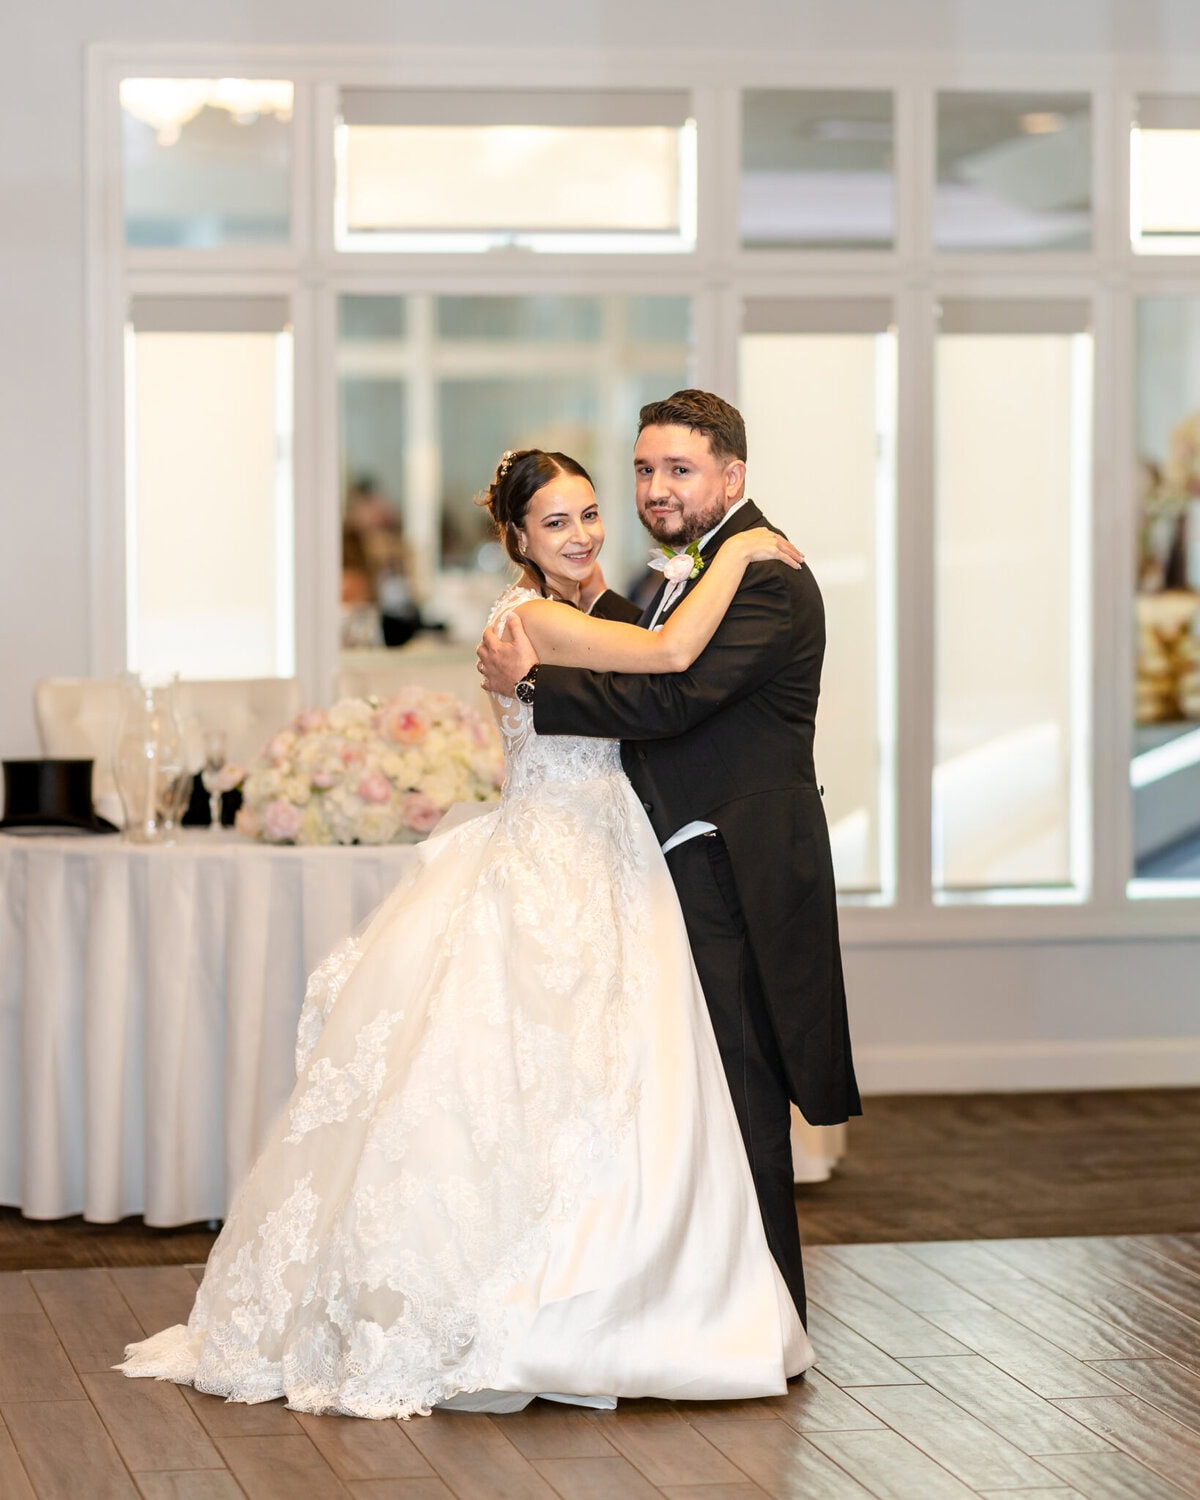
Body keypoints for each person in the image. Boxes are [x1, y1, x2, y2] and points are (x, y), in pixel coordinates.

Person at [118, 447, 814, 1418]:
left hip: (612, 857)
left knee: (614, 1085)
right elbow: (666, 661)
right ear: (517, 540)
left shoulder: (589, 609)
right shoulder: (529, 619)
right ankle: (532, 1312)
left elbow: (644, 668)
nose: (580, 534)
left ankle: (634, 1295)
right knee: (522, 1085)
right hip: (554, 860)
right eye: (555, 523)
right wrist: (738, 557)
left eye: (587, 514)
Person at [478, 391, 862, 1327]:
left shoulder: (763, 573)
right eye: (644, 470)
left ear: (732, 476)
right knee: (681, 1088)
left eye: (678, 470)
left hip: (736, 863)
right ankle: (683, 1307)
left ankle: (769, 1319)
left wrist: (531, 685)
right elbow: (641, 649)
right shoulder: (680, 572)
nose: (654, 488)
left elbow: (671, 699)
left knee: (743, 1089)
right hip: (654, 864)